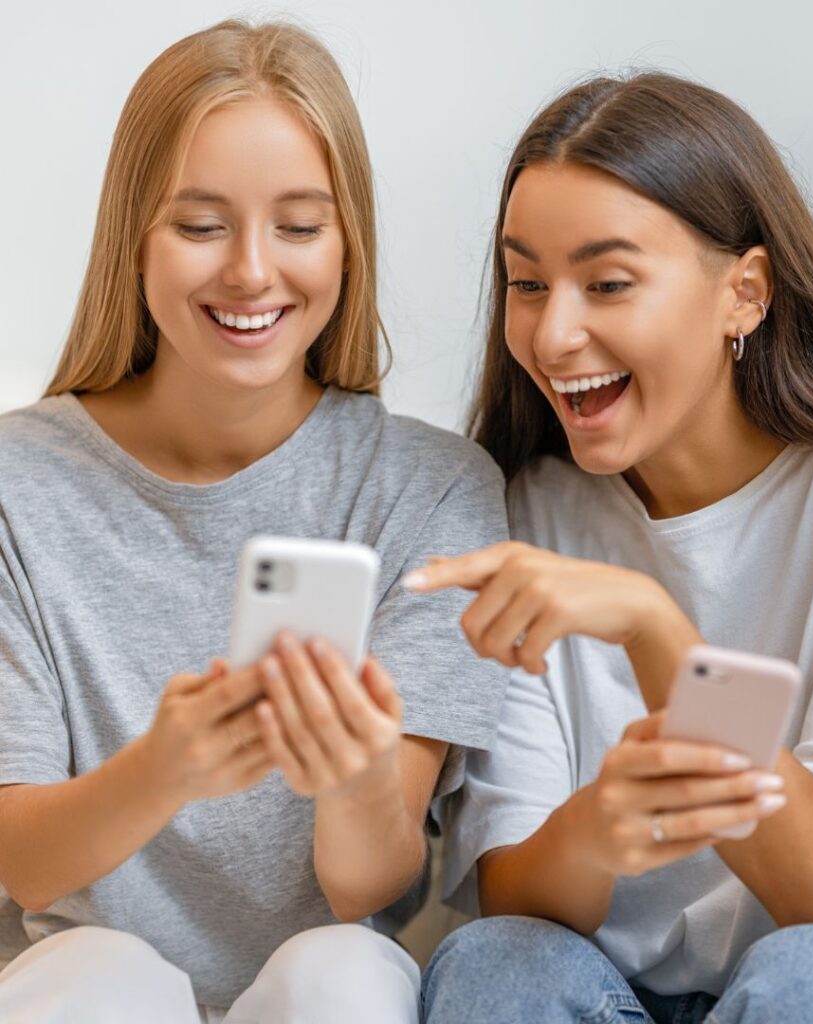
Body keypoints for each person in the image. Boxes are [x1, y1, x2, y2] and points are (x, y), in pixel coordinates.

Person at [408, 73, 813, 1024]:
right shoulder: (529, 510)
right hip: (634, 1001)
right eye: (527, 283)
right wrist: (599, 828)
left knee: (807, 975)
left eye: (607, 283)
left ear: (744, 292)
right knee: (496, 963)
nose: (554, 331)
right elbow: (518, 904)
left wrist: (655, 632)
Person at [0, 19, 507, 1024]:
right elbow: (27, 867)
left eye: (299, 225)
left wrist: (358, 775)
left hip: (329, 987)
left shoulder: (431, 489)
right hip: (82, 983)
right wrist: (164, 768)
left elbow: (370, 889)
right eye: (199, 225)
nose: (249, 270)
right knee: (95, 971)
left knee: (341, 971)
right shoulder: (19, 487)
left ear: (347, 239)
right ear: (132, 236)